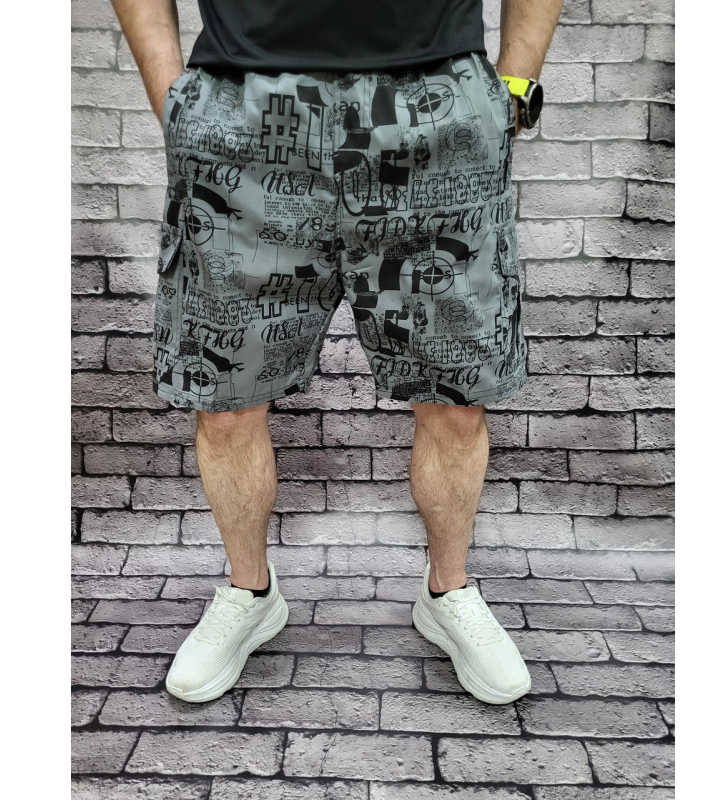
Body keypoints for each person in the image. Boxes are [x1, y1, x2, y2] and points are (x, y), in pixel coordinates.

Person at [111, 0, 564, 705]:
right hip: (243, 110)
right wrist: (174, 99)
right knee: (225, 401)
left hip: (435, 105)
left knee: (455, 398)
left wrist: (511, 88)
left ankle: (448, 591)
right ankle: (249, 592)